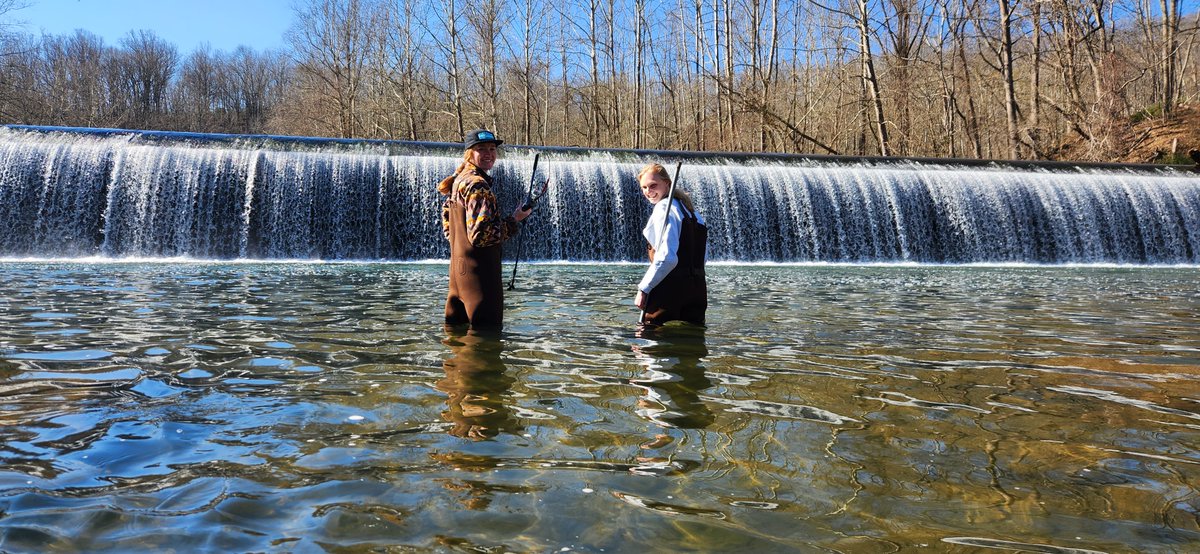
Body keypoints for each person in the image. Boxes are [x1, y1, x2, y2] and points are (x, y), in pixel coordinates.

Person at [438, 129, 531, 328]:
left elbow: (448, 226)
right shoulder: (478, 185)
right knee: (486, 344)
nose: (489, 153)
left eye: (492, 149)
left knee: (456, 348)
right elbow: (482, 236)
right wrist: (515, 219)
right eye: (481, 149)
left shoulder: (458, 181)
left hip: (457, 278)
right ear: (470, 153)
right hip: (479, 283)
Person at [634, 163, 708, 327]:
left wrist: (644, 289)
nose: (648, 191)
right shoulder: (692, 212)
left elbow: (667, 258)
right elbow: (703, 257)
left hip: (669, 290)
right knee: (692, 347)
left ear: (667, 183)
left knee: (649, 344)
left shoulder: (663, 208)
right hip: (698, 290)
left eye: (653, 185)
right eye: (644, 187)